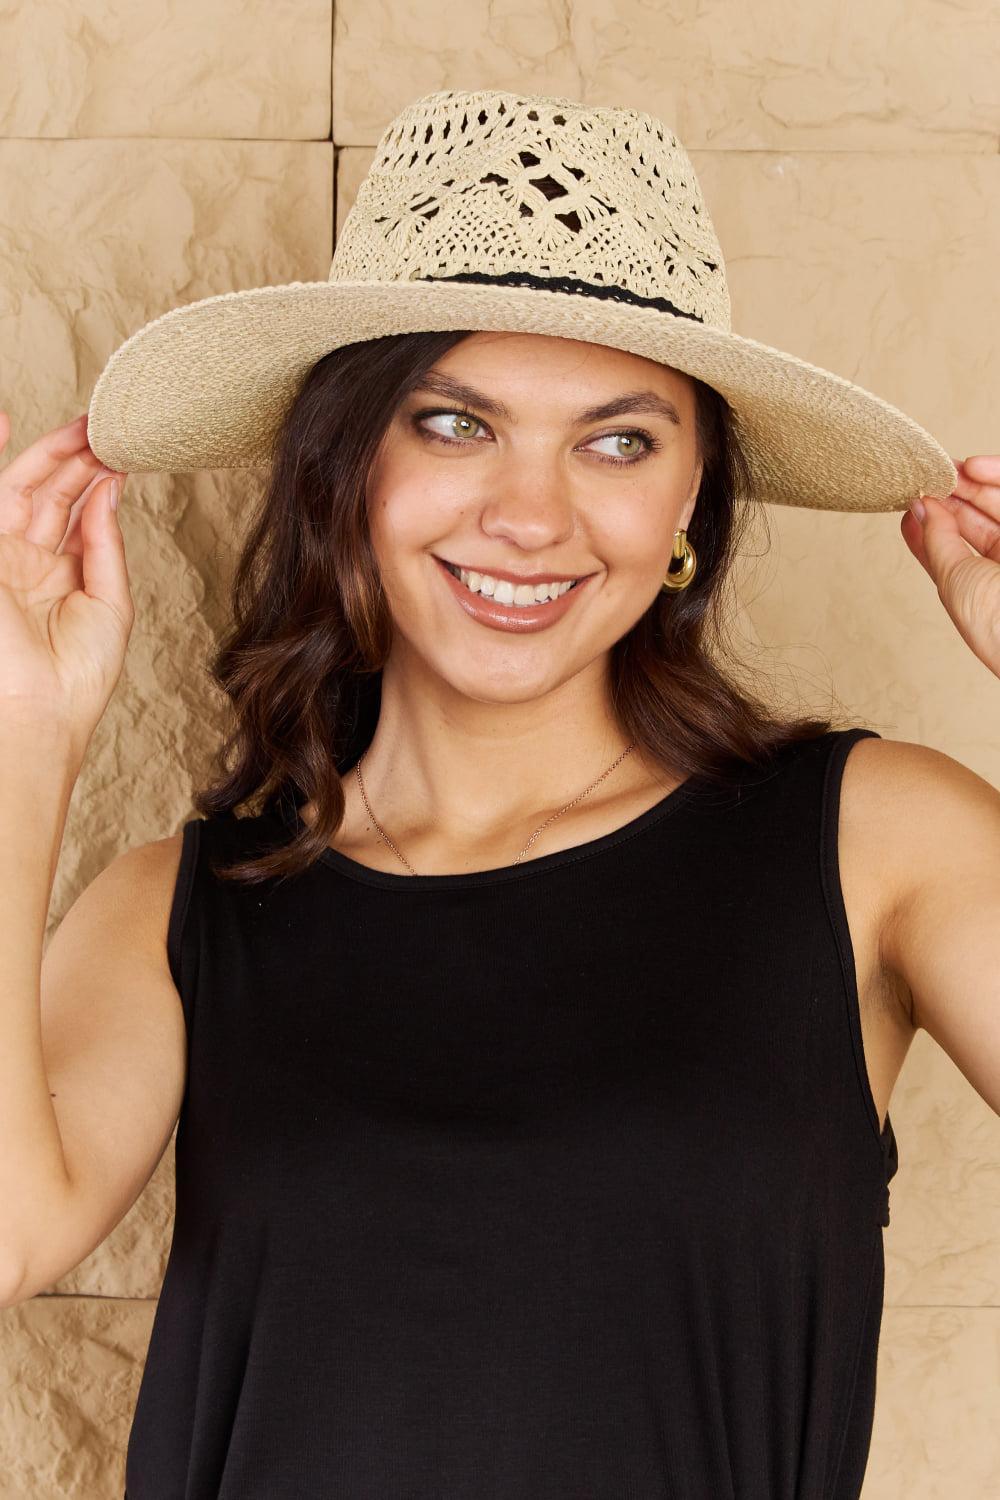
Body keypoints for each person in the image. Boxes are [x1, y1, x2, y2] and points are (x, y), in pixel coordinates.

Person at [1, 87, 998, 1500]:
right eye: (455, 423)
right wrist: (21, 731)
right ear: (345, 468)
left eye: (618, 440)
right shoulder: (183, 907)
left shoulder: (873, 839)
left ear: (689, 510)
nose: (530, 516)